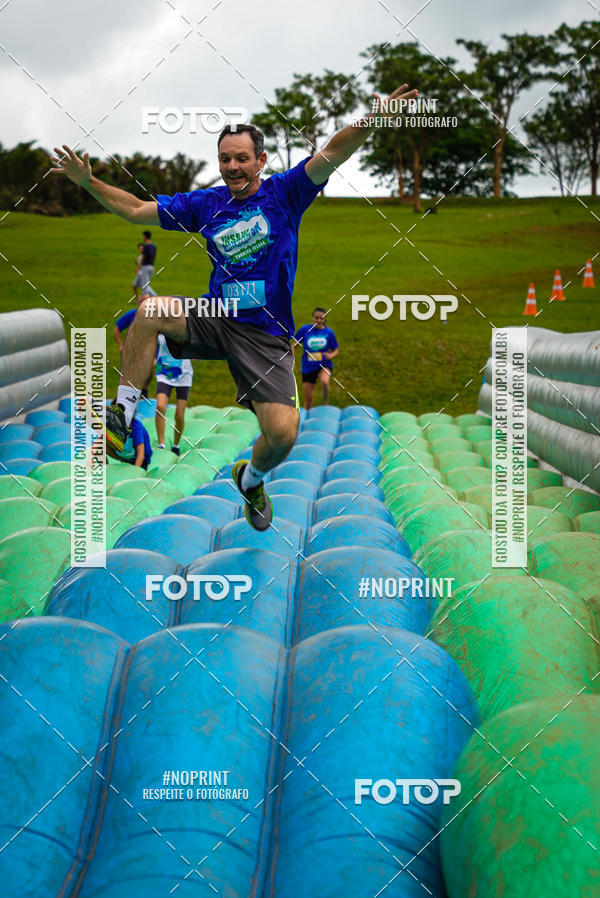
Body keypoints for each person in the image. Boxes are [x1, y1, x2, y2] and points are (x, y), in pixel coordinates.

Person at [50, 82, 417, 531]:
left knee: (283, 433)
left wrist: (373, 120)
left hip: (265, 334)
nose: (232, 167)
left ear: (261, 160)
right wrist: (88, 182)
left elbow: (334, 152)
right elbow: (135, 210)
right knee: (149, 311)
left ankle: (251, 478)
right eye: (225, 159)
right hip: (215, 316)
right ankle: (122, 415)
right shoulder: (206, 203)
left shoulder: (286, 193)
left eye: (242, 158)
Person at [154, 333, 193, 455]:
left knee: (179, 415)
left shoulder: (185, 328)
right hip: (163, 373)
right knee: (160, 407)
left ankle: (176, 445)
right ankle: (161, 444)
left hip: (183, 375)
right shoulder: (159, 327)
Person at [294, 307, 339, 409]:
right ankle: (307, 412)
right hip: (308, 367)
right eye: (316, 318)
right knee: (309, 400)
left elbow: (336, 350)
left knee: (325, 381)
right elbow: (294, 346)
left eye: (321, 318)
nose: (318, 320)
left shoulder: (329, 333)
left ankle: (325, 405)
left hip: (324, 364)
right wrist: (292, 360)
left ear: (325, 319)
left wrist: (330, 355)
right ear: (312, 318)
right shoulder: (305, 330)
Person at [134, 231, 157, 297]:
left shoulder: (146, 246)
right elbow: (154, 257)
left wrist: (139, 267)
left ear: (145, 236)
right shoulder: (154, 246)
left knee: (144, 285)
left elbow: (143, 257)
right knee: (146, 284)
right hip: (151, 267)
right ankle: (153, 296)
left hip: (145, 267)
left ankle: (148, 298)